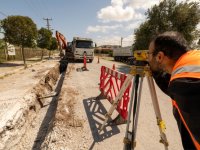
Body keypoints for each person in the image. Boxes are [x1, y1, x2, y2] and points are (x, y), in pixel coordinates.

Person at [148, 31, 200, 150]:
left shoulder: (184, 85)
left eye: (149, 54)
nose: (148, 58)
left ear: (159, 56)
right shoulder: (191, 62)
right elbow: (171, 88)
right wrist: (155, 71)